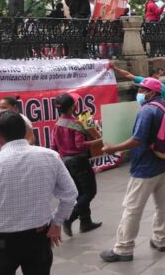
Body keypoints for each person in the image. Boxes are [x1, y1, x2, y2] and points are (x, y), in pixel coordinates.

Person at [0, 112, 78, 275]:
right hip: (38, 240)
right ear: (24, 131)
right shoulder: (50, 157)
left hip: (1, 244)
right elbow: (70, 194)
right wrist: (57, 222)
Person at [99, 79, 165, 262]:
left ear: (151, 92)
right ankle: (161, 240)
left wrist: (113, 148)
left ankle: (123, 248)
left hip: (146, 167)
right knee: (162, 204)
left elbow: (137, 139)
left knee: (132, 208)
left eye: (142, 89)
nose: (140, 93)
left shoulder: (147, 110)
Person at [50, 94, 102, 237]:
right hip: (79, 161)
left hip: (66, 162)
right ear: (73, 107)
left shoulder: (57, 124)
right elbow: (80, 145)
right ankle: (69, 218)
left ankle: (86, 222)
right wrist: (98, 141)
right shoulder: (75, 123)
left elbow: (53, 146)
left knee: (80, 193)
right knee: (90, 192)